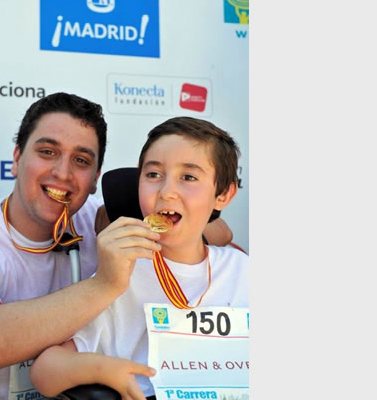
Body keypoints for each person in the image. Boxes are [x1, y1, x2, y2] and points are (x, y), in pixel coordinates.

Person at [0, 93, 236, 400]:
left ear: (96, 177)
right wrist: (105, 284)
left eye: (81, 160)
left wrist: (184, 229)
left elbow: (219, 231)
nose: (62, 173)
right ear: (17, 159)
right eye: (47, 152)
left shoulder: (104, 218)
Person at [29, 117, 249, 400]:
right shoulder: (122, 273)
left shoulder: (243, 271)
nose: (166, 191)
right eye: (153, 175)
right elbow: (45, 371)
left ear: (223, 194)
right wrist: (104, 370)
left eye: (189, 177)